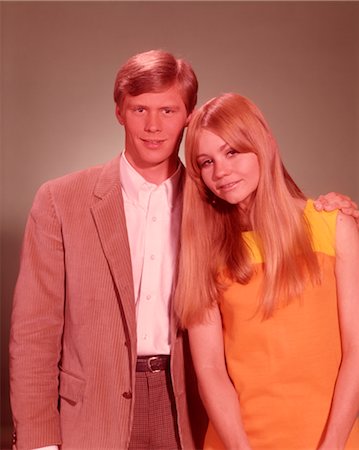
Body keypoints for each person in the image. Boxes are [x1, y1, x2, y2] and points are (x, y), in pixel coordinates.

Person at [9, 50, 358, 450]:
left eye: (168, 110)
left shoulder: (214, 205)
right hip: (93, 413)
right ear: (119, 111)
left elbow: (282, 217)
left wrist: (334, 212)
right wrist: (39, 442)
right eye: (140, 109)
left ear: (188, 116)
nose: (153, 126)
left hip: (190, 409)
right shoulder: (60, 200)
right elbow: (34, 333)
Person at [175, 92, 359, 449]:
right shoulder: (204, 252)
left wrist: (334, 444)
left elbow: (357, 349)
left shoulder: (334, 227)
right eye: (206, 162)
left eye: (231, 152)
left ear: (263, 145)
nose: (221, 171)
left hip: (333, 440)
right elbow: (210, 371)